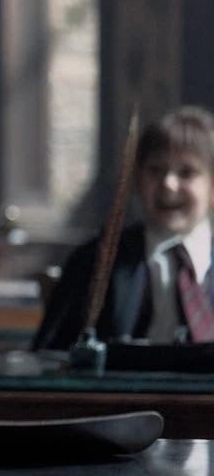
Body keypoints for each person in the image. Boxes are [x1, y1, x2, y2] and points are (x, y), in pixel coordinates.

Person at [34, 105, 214, 350]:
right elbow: (50, 352)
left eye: (187, 172)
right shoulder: (96, 261)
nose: (168, 184)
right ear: (138, 181)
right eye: (156, 170)